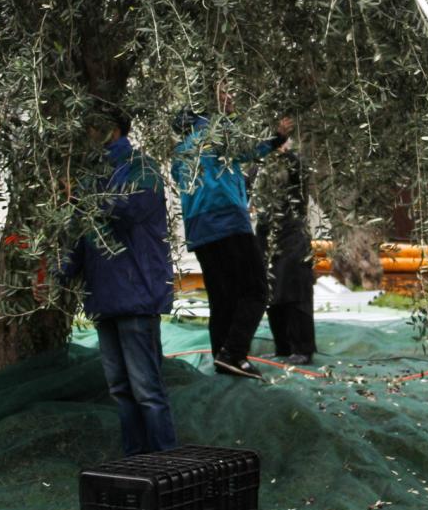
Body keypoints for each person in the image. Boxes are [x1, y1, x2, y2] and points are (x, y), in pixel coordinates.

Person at [66, 107, 178, 456]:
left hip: (135, 294)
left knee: (147, 390)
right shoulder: (89, 178)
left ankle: (165, 466)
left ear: (112, 129)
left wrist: (84, 198)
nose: (86, 133)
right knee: (120, 389)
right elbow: (81, 236)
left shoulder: (142, 169)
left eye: (91, 125)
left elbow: (129, 209)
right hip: (104, 297)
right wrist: (60, 274)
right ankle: (136, 464)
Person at [171, 96, 291, 378]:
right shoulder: (216, 132)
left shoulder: (181, 151)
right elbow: (248, 149)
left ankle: (222, 358)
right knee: (256, 289)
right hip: (226, 221)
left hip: (199, 230)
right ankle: (234, 353)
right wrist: (277, 138)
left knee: (221, 298)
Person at [253, 126, 316, 365]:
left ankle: (302, 348)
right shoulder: (259, 165)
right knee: (271, 290)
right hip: (267, 233)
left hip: (291, 232)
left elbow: (299, 196)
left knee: (295, 289)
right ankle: (282, 347)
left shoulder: (293, 162)